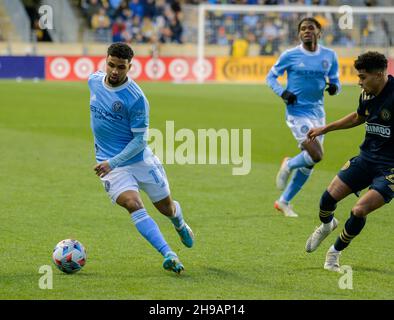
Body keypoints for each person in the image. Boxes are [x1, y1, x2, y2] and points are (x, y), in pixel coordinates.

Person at [88, 43, 194, 274]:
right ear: (105, 61)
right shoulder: (94, 81)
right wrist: (110, 163)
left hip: (138, 160)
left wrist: (112, 162)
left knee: (166, 209)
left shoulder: (136, 98)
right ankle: (169, 254)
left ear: (130, 67)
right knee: (132, 203)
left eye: (121, 67)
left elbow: (139, 142)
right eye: (111, 65)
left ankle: (179, 222)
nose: (115, 71)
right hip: (111, 165)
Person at [305, 51, 394, 272]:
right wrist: (326, 128)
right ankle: (327, 225)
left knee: (359, 210)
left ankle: (334, 253)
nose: (359, 82)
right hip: (366, 159)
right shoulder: (367, 95)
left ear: (380, 74)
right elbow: (358, 117)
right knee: (327, 199)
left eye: (363, 77)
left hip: (390, 168)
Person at [266, 17, 341, 217]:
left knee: (310, 162)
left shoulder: (329, 55)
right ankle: (288, 164)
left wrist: (334, 88)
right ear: (299, 34)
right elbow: (270, 77)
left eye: (311, 28)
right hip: (297, 112)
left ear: (319, 32)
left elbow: (336, 82)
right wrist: (282, 93)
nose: (306, 31)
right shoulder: (290, 55)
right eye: (303, 29)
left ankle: (283, 201)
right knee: (317, 155)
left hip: (318, 113)